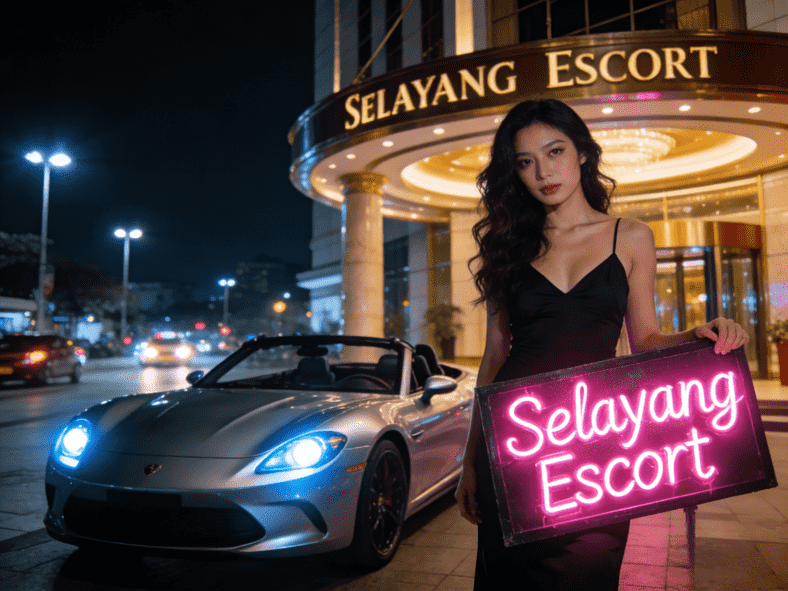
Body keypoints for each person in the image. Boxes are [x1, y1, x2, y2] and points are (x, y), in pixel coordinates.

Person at [455, 98, 749, 590]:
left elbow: (645, 338)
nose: (543, 171)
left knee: (588, 575)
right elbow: (495, 355)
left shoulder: (629, 236)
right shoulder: (507, 244)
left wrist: (700, 334)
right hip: (515, 445)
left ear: (583, 153)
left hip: (597, 450)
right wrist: (469, 463)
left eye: (555, 151)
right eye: (525, 162)